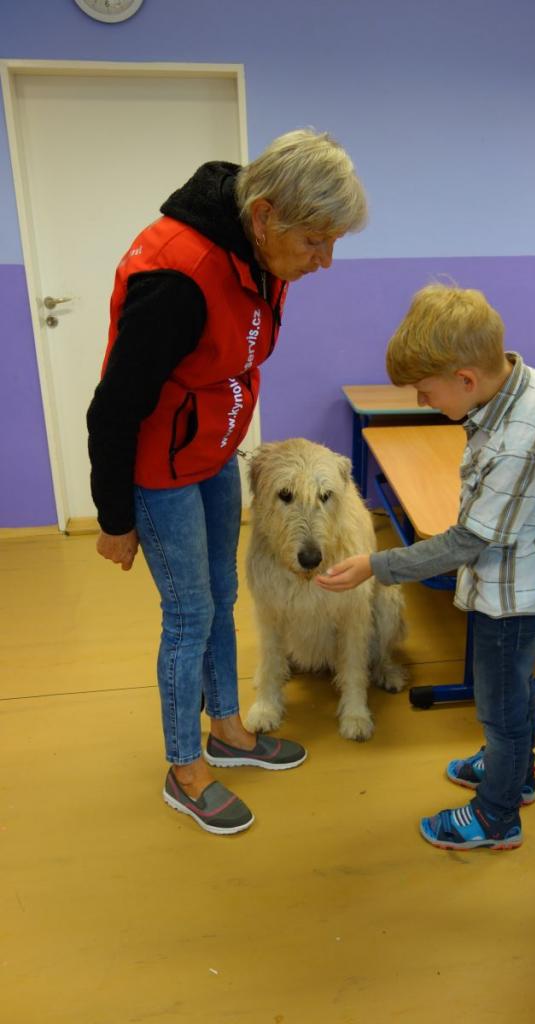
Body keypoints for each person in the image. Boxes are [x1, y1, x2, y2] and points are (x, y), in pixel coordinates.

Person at [87, 129, 368, 835]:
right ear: (265, 215)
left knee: (220, 595)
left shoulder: (258, 252)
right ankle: (185, 769)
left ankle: (228, 731)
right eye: (315, 241)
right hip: (160, 469)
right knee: (188, 616)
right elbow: (113, 407)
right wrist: (115, 517)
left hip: (213, 453)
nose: (325, 260)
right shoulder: (175, 278)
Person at [316, 283, 535, 851]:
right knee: (513, 687)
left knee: (500, 702)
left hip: (515, 594)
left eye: (425, 391)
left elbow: (467, 542)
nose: (420, 402)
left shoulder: (520, 441)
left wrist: (375, 565)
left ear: (465, 378)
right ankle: (516, 771)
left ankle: (497, 816)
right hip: (523, 572)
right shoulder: (516, 380)